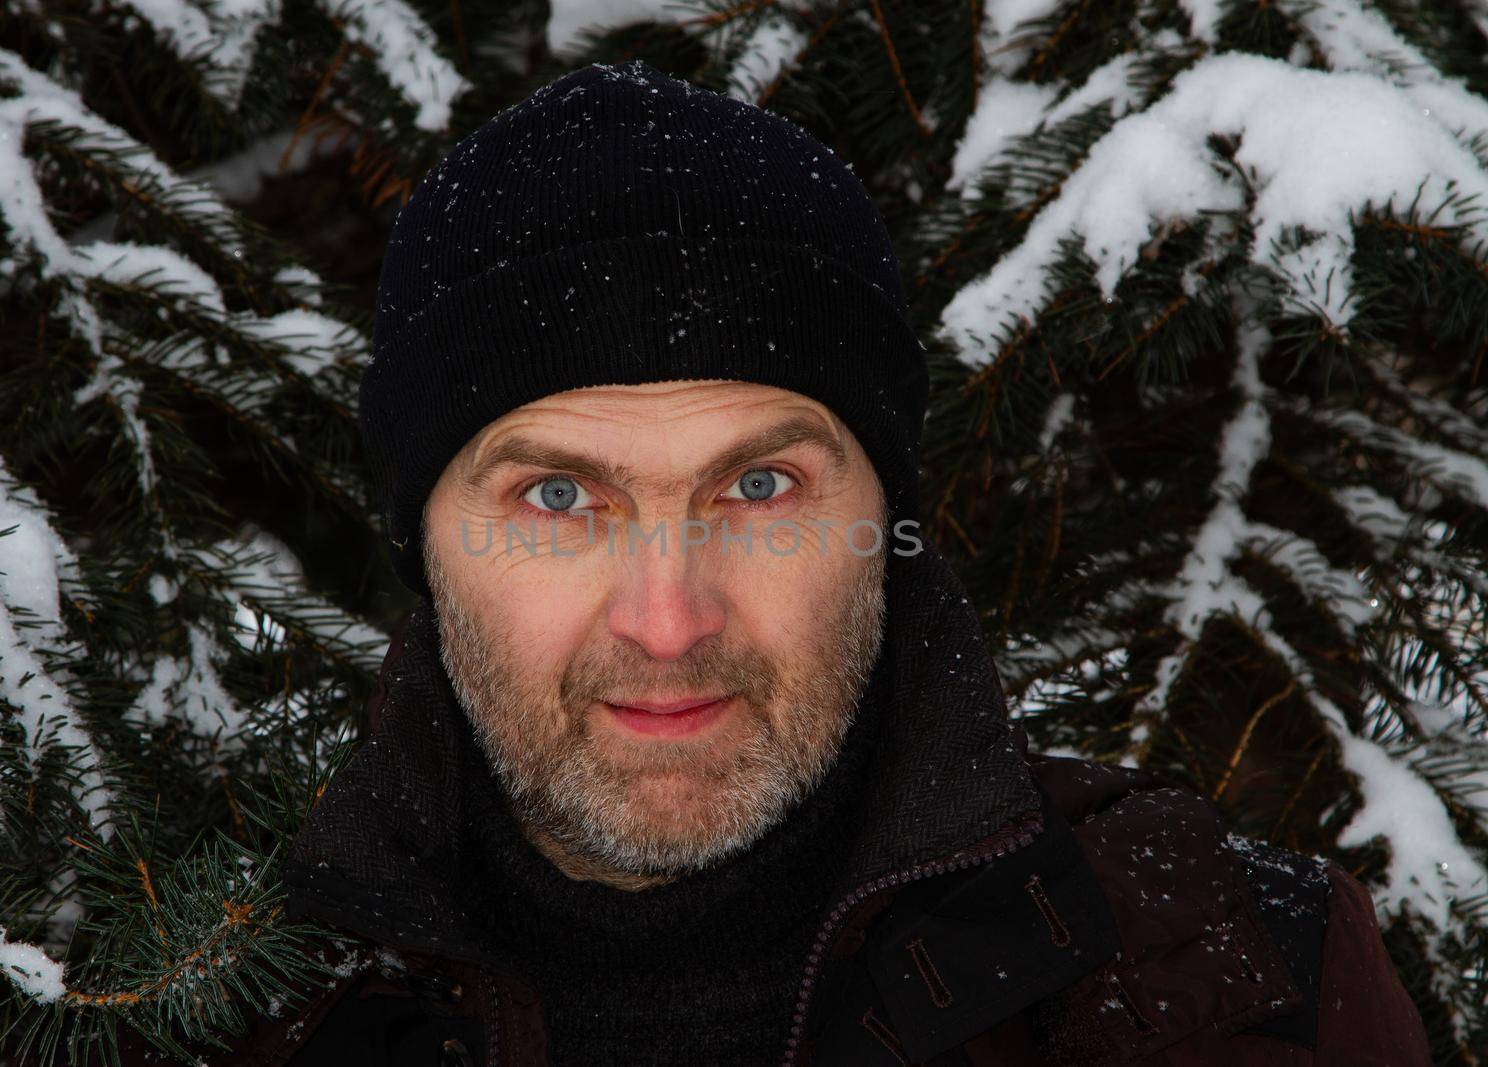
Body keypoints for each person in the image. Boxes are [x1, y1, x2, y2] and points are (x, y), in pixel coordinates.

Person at [201, 59, 1429, 1067]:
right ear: (425, 541)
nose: (668, 620)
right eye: (559, 495)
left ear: (885, 516)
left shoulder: (1236, 966)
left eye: (758, 485)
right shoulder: (191, 1005)